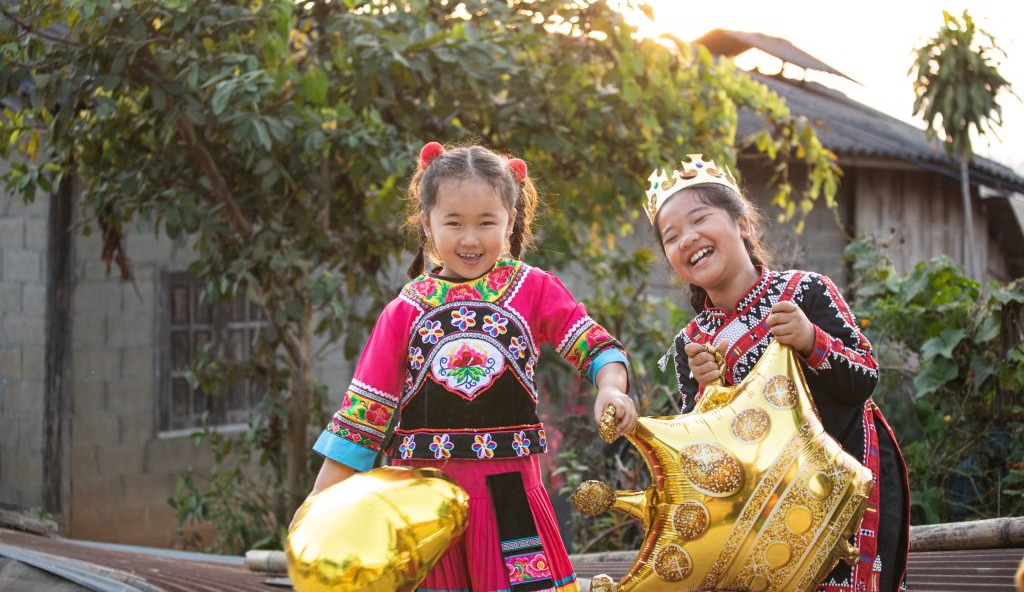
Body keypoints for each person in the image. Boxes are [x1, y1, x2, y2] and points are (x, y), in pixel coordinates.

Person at [307, 142, 637, 592]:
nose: (470, 238)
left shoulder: (534, 289)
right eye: (453, 222)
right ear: (426, 224)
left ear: (511, 221)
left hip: (510, 500)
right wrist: (318, 505)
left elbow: (596, 347)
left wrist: (611, 389)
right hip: (424, 510)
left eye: (486, 222)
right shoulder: (404, 311)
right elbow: (361, 419)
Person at [646, 153, 910, 591]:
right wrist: (708, 396)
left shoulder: (806, 291)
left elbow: (863, 378)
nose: (687, 239)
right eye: (671, 237)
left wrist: (810, 340)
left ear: (743, 224)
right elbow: (706, 466)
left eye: (699, 220)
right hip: (768, 515)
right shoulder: (690, 344)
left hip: (849, 485)